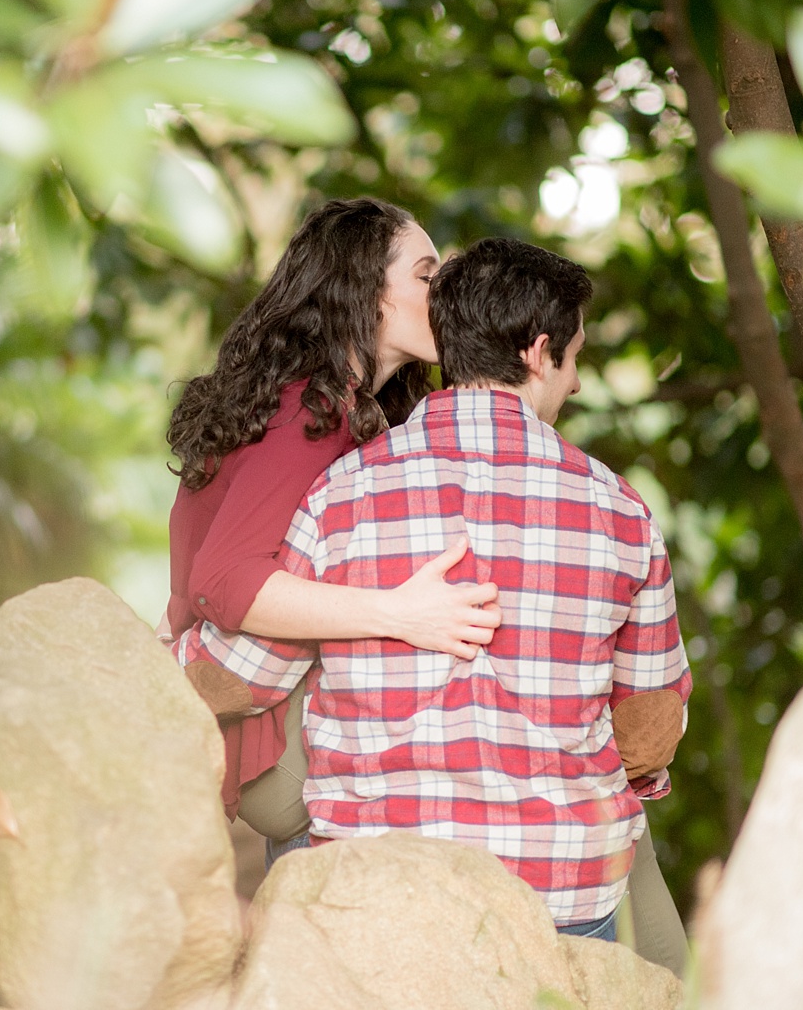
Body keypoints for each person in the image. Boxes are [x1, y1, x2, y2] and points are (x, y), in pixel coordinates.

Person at [175, 236, 693, 944]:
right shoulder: (621, 511)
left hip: (377, 881)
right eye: (575, 358)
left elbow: (244, 673)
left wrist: (147, 662)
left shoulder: (341, 491)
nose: (574, 382)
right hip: (562, 897)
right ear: (540, 352)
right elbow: (648, 724)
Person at [161, 197, 502, 852]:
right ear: (368, 291)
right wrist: (402, 613)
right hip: (254, 733)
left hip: (256, 710)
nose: (445, 293)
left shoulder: (343, 408)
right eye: (427, 275)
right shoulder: (308, 414)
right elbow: (224, 581)